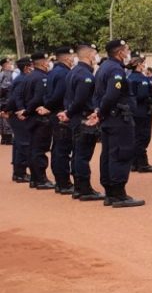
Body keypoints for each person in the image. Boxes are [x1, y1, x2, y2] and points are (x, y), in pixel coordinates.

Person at [88, 39, 142, 208]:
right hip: (118, 119)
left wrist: (99, 112)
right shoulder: (115, 69)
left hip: (109, 119)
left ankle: (111, 193)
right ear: (120, 53)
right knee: (121, 153)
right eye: (127, 50)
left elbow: (97, 94)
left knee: (109, 155)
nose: (128, 52)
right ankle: (119, 195)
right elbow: (111, 95)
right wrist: (101, 112)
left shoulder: (104, 67)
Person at [67, 42, 104, 200]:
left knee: (77, 154)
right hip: (84, 119)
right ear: (89, 55)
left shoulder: (74, 71)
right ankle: (84, 189)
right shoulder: (86, 76)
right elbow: (80, 100)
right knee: (82, 156)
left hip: (77, 118)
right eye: (95, 53)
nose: (96, 57)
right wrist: (70, 112)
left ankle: (78, 188)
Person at [12, 52, 51, 189]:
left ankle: (34, 178)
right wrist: (27, 111)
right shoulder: (41, 78)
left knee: (32, 147)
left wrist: (23, 110)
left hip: (30, 117)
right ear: (42, 63)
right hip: (38, 116)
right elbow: (38, 98)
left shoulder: (27, 77)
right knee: (39, 149)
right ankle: (41, 179)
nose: (48, 63)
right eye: (46, 61)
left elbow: (19, 97)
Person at [44, 44, 76, 195]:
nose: (73, 59)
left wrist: (47, 107)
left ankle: (60, 182)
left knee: (58, 148)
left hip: (55, 114)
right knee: (62, 149)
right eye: (71, 56)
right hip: (61, 114)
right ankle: (63, 183)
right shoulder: (64, 73)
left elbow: (48, 96)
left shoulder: (53, 72)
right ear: (67, 58)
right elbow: (59, 95)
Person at [126, 54, 152, 174]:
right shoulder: (141, 79)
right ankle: (142, 164)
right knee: (143, 137)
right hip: (142, 111)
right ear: (138, 65)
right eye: (142, 63)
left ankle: (134, 163)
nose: (144, 65)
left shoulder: (129, 77)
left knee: (135, 137)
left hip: (133, 111)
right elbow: (143, 95)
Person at [0, 56, 12, 148]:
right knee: (6, 119)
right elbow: (5, 87)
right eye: (8, 64)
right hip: (5, 100)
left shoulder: (2, 73)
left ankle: (4, 138)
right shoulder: (6, 74)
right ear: (4, 65)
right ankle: (7, 138)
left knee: (2, 119)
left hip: (2, 100)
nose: (10, 65)